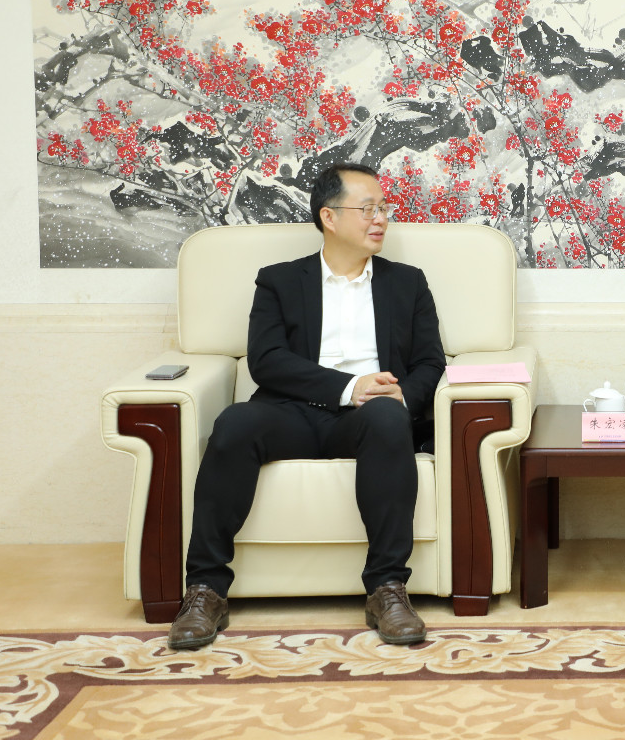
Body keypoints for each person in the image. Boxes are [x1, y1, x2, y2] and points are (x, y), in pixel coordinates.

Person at [168, 162, 444, 650]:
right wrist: (350, 385)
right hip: (291, 411)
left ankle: (387, 588)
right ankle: (206, 589)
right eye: (368, 209)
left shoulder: (408, 283)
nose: (381, 218)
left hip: (369, 417)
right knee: (234, 424)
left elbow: (430, 362)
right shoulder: (278, 281)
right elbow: (267, 361)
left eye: (384, 208)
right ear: (329, 217)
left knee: (389, 418)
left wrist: (401, 394)